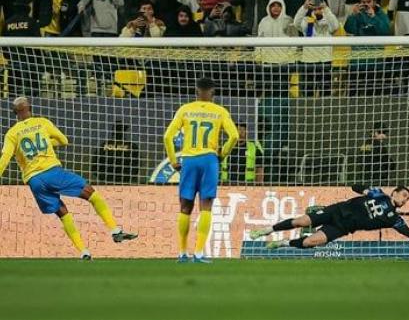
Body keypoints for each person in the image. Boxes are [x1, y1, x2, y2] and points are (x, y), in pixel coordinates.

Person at [0, 97, 137, 260]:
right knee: (92, 194)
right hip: (52, 171)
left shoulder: (11, 133)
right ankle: (115, 231)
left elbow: (5, 158)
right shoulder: (42, 122)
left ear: (14, 113)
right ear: (29, 107)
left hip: (34, 181)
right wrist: (47, 143)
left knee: (62, 213)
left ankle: (84, 252)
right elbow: (64, 141)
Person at [249, 184, 409, 259]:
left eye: (407, 198)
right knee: (301, 221)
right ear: (394, 192)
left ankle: (283, 243)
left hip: (343, 227)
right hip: (337, 211)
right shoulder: (378, 194)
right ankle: (267, 230)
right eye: (404, 195)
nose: (405, 199)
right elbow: (354, 186)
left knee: (310, 242)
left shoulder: (395, 220)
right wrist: (366, 190)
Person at [163, 77, 239, 263]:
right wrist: (223, 154)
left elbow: (167, 137)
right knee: (206, 207)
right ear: (213, 93)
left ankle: (182, 253)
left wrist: (174, 161)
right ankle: (198, 253)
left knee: (185, 207)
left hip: (188, 160)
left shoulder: (185, 109)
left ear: (196, 92)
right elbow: (234, 136)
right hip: (209, 160)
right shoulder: (220, 111)